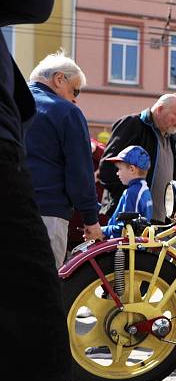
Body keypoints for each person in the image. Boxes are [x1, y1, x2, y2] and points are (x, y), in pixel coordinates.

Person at [0, 0, 71, 381]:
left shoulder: (36, 99)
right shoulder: (64, 112)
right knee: (29, 370)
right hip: (35, 209)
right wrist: (91, 221)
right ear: (65, 82)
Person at [24, 51, 103, 266]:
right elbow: (79, 171)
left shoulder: (9, 105)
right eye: (74, 90)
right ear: (59, 79)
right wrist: (91, 219)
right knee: (41, 291)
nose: (75, 98)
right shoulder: (65, 112)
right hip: (47, 214)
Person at [99, 93, 176, 223]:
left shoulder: (170, 137)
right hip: (130, 220)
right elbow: (108, 168)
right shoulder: (132, 124)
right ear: (159, 109)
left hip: (158, 221)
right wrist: (130, 204)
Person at [102, 145, 153, 238]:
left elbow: (127, 228)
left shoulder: (133, 193)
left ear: (132, 169)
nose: (117, 173)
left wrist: (102, 231)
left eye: (120, 169)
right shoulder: (143, 189)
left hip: (127, 250)